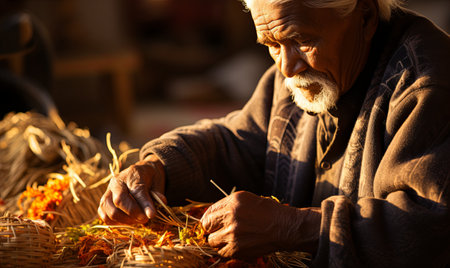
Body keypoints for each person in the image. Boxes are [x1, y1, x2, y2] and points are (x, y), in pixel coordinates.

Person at [98, 0, 450, 266]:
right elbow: (238, 141)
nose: (286, 66)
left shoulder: (426, 84)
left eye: (301, 40)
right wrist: (157, 168)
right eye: (270, 44)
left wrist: (290, 226)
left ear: (366, 16)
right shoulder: (297, 75)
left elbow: (431, 224)